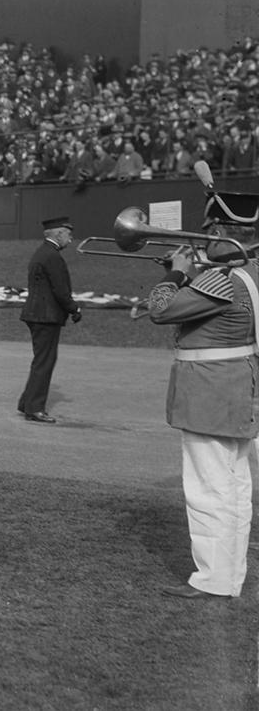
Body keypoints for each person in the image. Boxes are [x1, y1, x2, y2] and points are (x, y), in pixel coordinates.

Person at [148, 184, 259, 599]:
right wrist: (192, 274)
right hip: (239, 388)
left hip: (210, 391)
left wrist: (175, 274)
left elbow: (160, 309)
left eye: (209, 228)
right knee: (234, 488)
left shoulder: (223, 280)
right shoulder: (250, 273)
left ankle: (213, 578)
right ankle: (230, 576)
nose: (204, 235)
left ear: (219, 228)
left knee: (208, 489)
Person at [16, 216, 82, 423]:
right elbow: (60, 290)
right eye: (68, 235)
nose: (70, 240)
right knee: (45, 362)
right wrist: (74, 308)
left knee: (41, 360)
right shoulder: (52, 256)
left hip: (38, 314)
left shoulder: (42, 253)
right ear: (59, 233)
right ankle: (34, 408)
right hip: (46, 316)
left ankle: (27, 402)